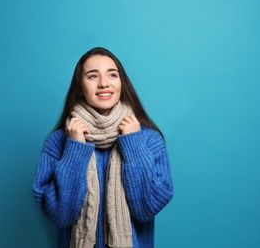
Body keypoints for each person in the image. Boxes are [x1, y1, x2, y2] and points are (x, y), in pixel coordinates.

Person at [33, 47, 174, 248]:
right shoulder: (59, 142)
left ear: (121, 84)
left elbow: (146, 209)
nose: (103, 83)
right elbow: (60, 215)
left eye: (112, 75)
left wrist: (133, 143)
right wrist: (75, 149)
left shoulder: (148, 139)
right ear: (80, 87)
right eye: (92, 76)